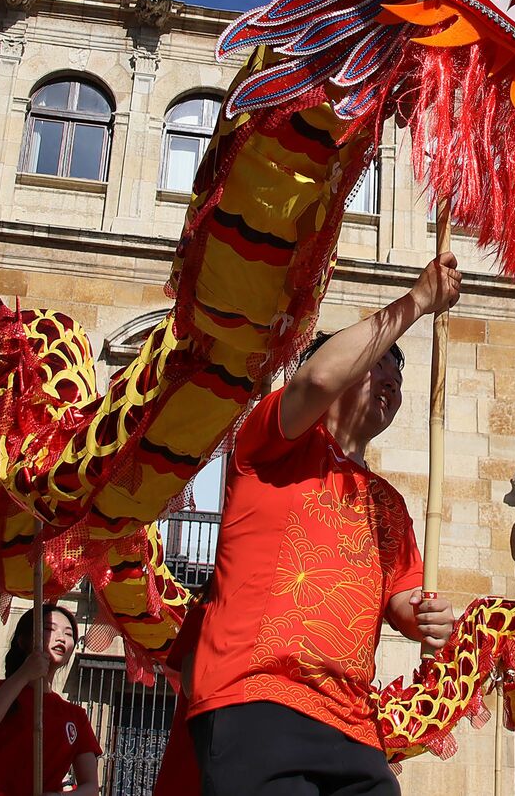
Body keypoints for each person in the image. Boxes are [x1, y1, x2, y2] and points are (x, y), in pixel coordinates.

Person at [186, 253, 462, 796]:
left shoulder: (390, 506)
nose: (392, 377)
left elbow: (402, 599)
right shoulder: (273, 442)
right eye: (379, 362)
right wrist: (418, 302)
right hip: (258, 696)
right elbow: (315, 376)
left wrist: (428, 618)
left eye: (399, 373)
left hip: (355, 726)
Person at [0, 604, 101, 796]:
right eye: (49, 629)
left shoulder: (76, 716)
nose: (61, 637)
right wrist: (24, 674)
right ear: (23, 640)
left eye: (69, 634)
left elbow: (91, 787)